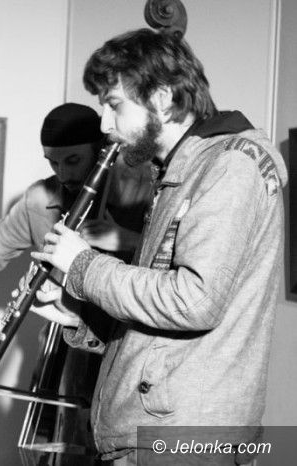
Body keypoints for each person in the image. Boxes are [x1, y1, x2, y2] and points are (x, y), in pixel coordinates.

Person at [31, 28, 287, 465]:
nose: (104, 125)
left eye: (114, 105)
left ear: (163, 98)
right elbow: (158, 325)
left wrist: (83, 265)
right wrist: (79, 313)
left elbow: (194, 301)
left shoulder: (229, 166)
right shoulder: (179, 170)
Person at [0, 103, 152, 462]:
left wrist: (125, 239)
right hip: (63, 344)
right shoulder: (40, 200)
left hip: (126, 347)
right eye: (52, 163)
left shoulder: (140, 187)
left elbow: (171, 266)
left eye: (72, 160)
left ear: (100, 149)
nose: (63, 174)